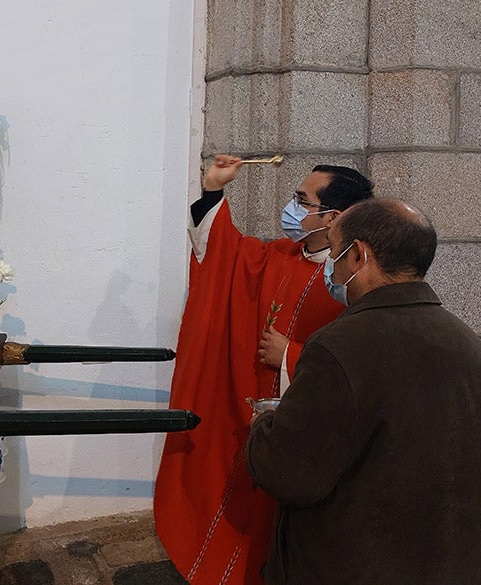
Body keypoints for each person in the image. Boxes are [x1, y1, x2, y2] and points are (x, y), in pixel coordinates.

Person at [246, 198, 481, 584]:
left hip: (352, 566)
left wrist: (264, 424)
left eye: (334, 254)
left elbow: (287, 474)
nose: (330, 268)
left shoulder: (339, 346)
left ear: (358, 256)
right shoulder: (465, 341)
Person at [154, 155, 374, 584]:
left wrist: (290, 355)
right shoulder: (278, 255)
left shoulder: (354, 280)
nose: (291, 208)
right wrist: (214, 189)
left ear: (332, 216)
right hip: (250, 409)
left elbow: (363, 358)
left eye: (301, 200)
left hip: (306, 429)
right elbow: (220, 252)